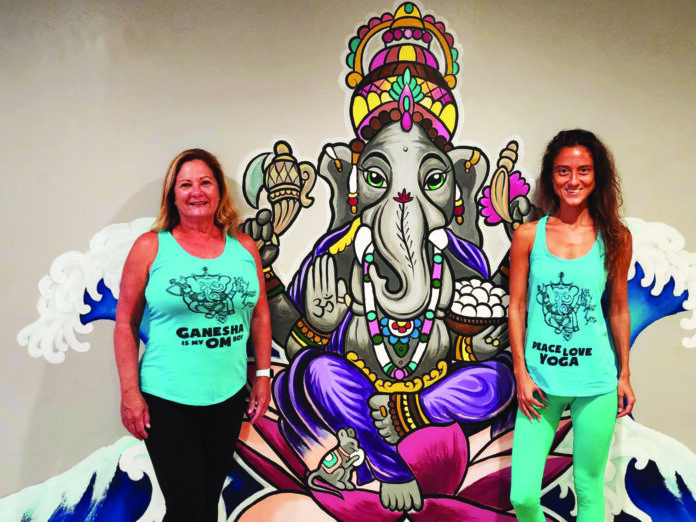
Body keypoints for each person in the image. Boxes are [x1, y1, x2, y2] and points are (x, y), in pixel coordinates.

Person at [114, 148, 271, 521]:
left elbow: (261, 315)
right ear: (173, 194)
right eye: (185, 184)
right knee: (185, 507)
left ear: (219, 192)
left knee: (206, 505)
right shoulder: (151, 247)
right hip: (167, 398)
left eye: (205, 182)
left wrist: (262, 377)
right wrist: (129, 393)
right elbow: (125, 323)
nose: (195, 191)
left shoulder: (244, 248)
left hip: (227, 396)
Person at [508, 129, 635, 521]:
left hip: (595, 382)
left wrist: (625, 374)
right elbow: (517, 307)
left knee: (589, 489)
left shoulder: (615, 238)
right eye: (564, 171)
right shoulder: (529, 236)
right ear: (551, 177)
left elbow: (616, 309)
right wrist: (521, 373)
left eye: (583, 170)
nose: (573, 180)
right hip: (540, 385)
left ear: (596, 177)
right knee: (524, 496)